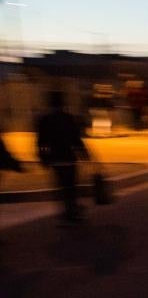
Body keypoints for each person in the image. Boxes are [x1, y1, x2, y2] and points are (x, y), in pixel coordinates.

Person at [35, 89, 91, 226]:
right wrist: (84, 154)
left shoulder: (44, 120)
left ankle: (67, 212)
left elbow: (41, 142)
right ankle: (72, 212)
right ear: (63, 103)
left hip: (55, 159)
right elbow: (76, 139)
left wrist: (43, 159)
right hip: (69, 158)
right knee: (71, 186)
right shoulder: (68, 118)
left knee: (61, 187)